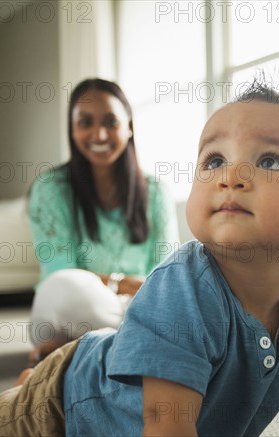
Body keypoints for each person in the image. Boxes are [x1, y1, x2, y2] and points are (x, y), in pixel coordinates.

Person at [0, 80, 279, 437]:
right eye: (213, 160)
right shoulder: (185, 289)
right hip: (70, 400)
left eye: (270, 161)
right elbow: (166, 423)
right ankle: (5, 401)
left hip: (125, 322)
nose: (231, 175)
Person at [27, 78, 179, 363]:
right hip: (71, 307)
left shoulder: (156, 192)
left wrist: (138, 295)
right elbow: (61, 269)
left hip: (139, 307)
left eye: (110, 121)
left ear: (129, 126)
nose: (99, 134)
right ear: (72, 130)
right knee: (66, 289)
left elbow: (166, 272)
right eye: (85, 122)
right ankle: (128, 348)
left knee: (182, 301)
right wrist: (123, 284)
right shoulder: (50, 188)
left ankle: (70, 357)